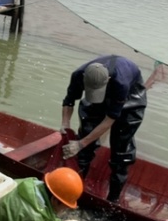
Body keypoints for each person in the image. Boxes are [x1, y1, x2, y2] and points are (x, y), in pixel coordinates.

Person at [60, 54, 146, 203]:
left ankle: (113, 200)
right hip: (98, 87)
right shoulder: (78, 75)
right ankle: (74, 191)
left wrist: (81, 143)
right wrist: (65, 124)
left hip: (131, 98)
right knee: (84, 145)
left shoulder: (121, 83)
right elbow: (69, 101)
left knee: (121, 150)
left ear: (108, 81)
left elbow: (110, 120)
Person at [0, 167, 83, 221]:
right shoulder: (34, 220)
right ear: (55, 200)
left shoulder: (32, 183)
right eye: (65, 207)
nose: (65, 210)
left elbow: (46, 211)